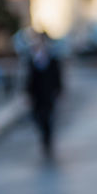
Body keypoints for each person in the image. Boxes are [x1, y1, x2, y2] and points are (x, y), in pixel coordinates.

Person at [26, 31, 63, 159]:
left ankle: (48, 140)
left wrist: (59, 90)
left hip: (48, 94)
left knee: (48, 118)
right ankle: (44, 137)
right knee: (37, 117)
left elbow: (58, 76)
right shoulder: (32, 58)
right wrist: (27, 93)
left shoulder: (52, 59)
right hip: (37, 95)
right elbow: (29, 79)